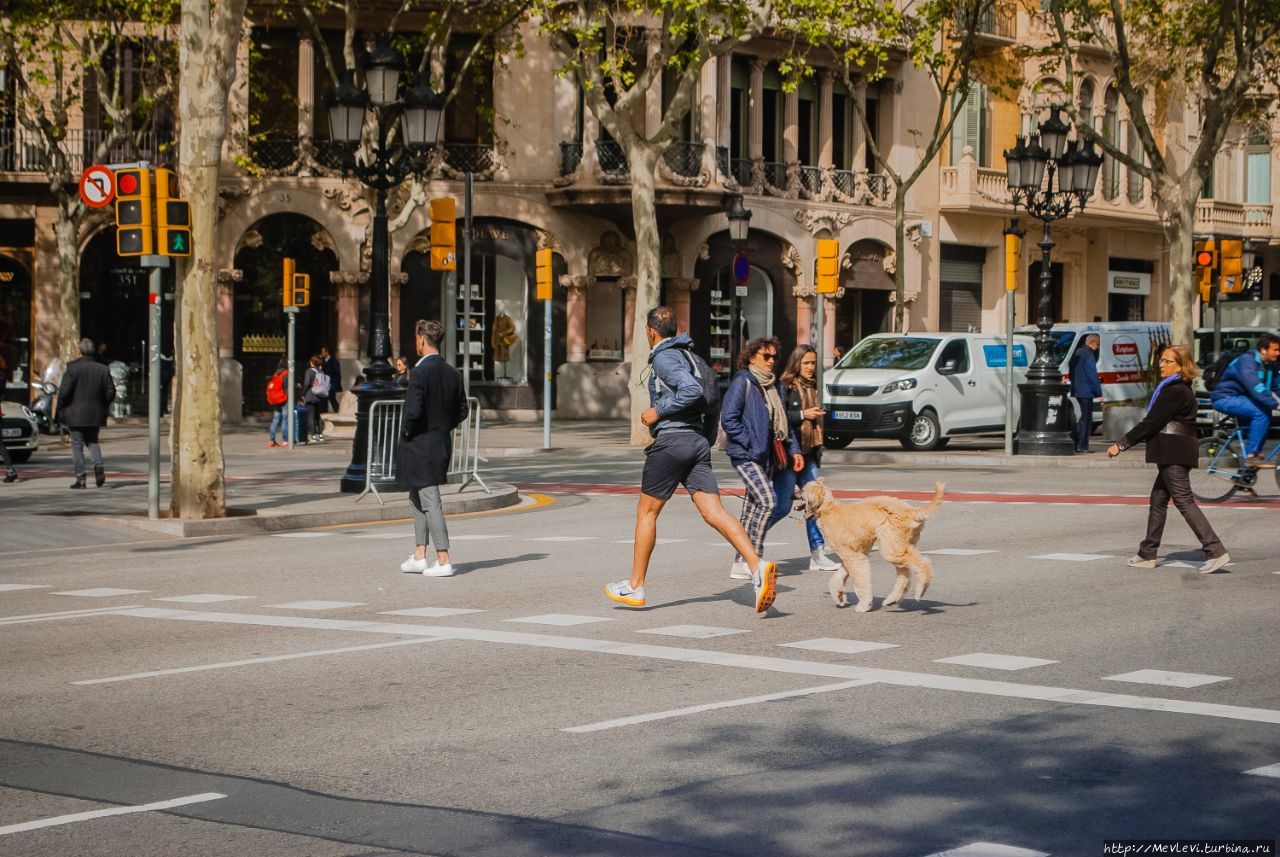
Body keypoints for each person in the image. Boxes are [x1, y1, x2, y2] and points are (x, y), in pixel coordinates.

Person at [604, 306, 778, 614]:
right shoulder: (692, 357)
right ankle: (756, 565)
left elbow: (691, 391)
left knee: (647, 513)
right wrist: (705, 441)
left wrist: (657, 412)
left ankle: (635, 586)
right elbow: (711, 402)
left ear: (649, 331)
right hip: (697, 442)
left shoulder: (663, 356)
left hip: (672, 441)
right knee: (714, 513)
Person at [1108, 345, 1229, 574]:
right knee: (1158, 499)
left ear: (1181, 366)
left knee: (1184, 501)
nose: (1161, 365)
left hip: (1173, 451)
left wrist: (1121, 444)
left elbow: (1151, 422)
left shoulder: (1174, 391)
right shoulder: (1177, 388)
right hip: (1173, 451)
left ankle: (1215, 550)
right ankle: (1147, 553)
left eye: (1167, 361)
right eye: (1161, 360)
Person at [719, 334, 802, 582]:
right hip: (746, 455)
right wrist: (749, 442)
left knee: (751, 508)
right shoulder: (743, 381)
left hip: (768, 456)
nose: (771, 361)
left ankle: (739, 563)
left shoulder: (774, 385)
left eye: (774, 357)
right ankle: (754, 556)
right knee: (767, 501)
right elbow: (729, 418)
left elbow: (784, 421)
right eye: (766, 356)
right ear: (752, 356)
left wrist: (795, 450)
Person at [398, 319, 468, 578]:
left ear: (422, 340)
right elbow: (463, 410)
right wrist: (442, 426)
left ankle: (443, 559)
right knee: (416, 498)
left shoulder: (420, 373)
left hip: (419, 444)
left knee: (430, 501)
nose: (415, 342)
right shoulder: (453, 373)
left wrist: (406, 431)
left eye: (416, 338)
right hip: (439, 442)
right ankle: (419, 555)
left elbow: (413, 411)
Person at [781, 344, 841, 571]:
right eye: (806, 363)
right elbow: (780, 418)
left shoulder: (813, 387)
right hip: (789, 455)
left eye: (813, 363)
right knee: (779, 507)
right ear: (796, 363)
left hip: (809, 455)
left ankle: (818, 554)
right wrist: (802, 414)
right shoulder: (785, 386)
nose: (810, 367)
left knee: (816, 504)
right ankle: (749, 546)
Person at [1209, 332, 1280, 469]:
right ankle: (1251, 456)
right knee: (1261, 413)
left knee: (1263, 417)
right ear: (1264, 350)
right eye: (1275, 350)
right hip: (1225, 398)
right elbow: (1255, 386)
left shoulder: (1271, 365)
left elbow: (1277, 385)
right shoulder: (1247, 361)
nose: (1278, 353)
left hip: (1243, 399)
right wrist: (1276, 404)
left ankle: (1244, 476)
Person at [58, 337, 115, 490]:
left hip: (75, 413)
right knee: (92, 441)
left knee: (77, 444)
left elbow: (64, 392)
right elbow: (111, 391)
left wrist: (61, 409)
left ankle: (80, 478)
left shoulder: (72, 368)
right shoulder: (103, 369)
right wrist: (103, 405)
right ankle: (98, 465)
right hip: (95, 412)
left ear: (79, 351)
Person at [1069, 334, 1102, 453]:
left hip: (1077, 389)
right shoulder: (1089, 354)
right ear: (1093, 343)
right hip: (1087, 391)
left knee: (1084, 417)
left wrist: (1074, 382)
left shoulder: (1078, 352)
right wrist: (1098, 392)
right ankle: (1082, 445)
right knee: (1087, 419)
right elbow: (1092, 374)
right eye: (1097, 344)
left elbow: (1071, 368)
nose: (1097, 347)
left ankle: (1075, 440)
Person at [302, 355, 328, 442]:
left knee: (311, 417)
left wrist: (303, 393)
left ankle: (313, 436)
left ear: (312, 362)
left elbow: (307, 383)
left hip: (311, 396)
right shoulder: (321, 372)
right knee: (318, 417)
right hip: (320, 397)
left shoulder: (309, 371)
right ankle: (320, 435)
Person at [266, 359, 290, 447]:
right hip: (284, 399)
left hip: (276, 399)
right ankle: (285, 440)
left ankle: (272, 440)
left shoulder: (276, 374)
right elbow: (288, 387)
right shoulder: (286, 374)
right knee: (284, 420)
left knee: (276, 419)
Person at [320, 346, 343, 413]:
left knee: (332, 399)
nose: (321, 353)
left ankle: (338, 411)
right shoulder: (323, 362)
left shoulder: (333, 361)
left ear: (326, 352)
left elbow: (337, 374)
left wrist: (334, 384)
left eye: (322, 352)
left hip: (331, 384)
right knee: (324, 400)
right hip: (325, 384)